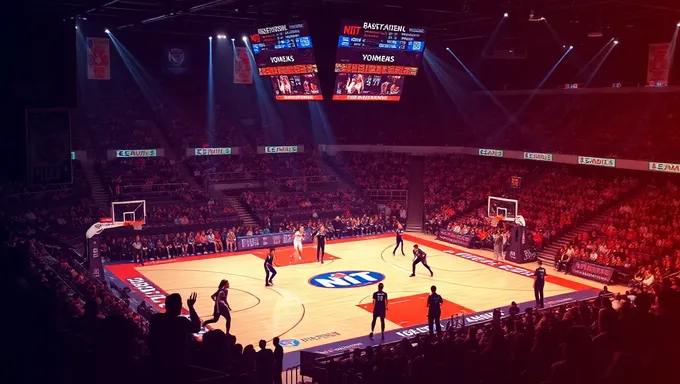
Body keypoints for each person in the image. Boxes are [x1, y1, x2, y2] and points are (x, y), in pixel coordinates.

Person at [149, 292, 201, 370]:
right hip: (177, 364)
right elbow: (197, 327)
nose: (181, 306)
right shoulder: (181, 322)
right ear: (177, 306)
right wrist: (191, 307)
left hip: (157, 361)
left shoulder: (155, 318)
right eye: (180, 304)